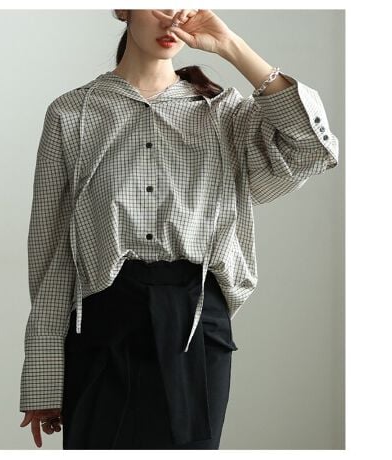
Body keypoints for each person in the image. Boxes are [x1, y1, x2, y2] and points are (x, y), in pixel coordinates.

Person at [19, 9, 339, 449]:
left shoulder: (225, 113)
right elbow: (51, 248)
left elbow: (313, 148)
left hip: (196, 319)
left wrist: (231, 47)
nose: (173, 19)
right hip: (102, 320)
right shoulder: (72, 114)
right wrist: (44, 374)